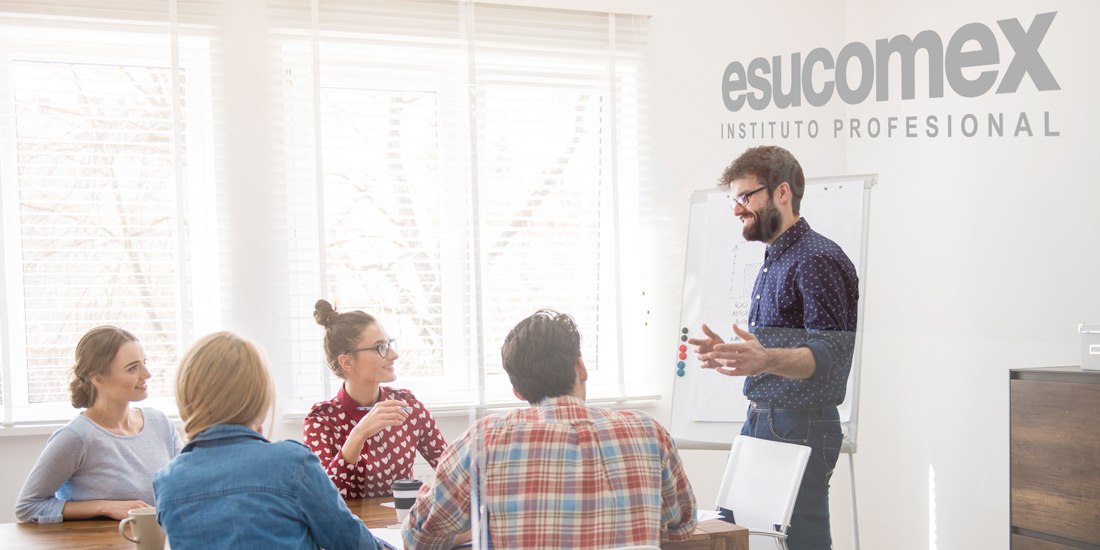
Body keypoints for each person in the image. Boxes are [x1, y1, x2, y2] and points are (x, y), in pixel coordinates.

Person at [403, 310, 697, 549]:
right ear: (581, 368)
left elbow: (420, 537)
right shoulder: (648, 432)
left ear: (517, 391)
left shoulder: (484, 439)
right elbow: (682, 524)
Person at [688, 145, 859, 550]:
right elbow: (785, 346)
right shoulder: (774, 257)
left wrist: (763, 358)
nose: (736, 210)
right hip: (764, 419)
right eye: (735, 200)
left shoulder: (817, 258)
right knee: (739, 535)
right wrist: (736, 353)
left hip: (800, 425)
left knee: (801, 543)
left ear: (782, 192)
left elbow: (827, 356)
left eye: (745, 197)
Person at [153, 331, 383, 550]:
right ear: (259, 397)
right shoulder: (292, 463)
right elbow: (356, 545)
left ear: (185, 396)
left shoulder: (167, 481)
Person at [15, 326, 182, 523]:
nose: (147, 373)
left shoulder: (160, 424)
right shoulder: (75, 437)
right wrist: (105, 506)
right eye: (132, 368)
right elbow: (27, 507)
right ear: (98, 378)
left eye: (144, 362)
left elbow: (185, 486)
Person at [305, 299, 446, 498]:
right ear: (347, 361)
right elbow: (319, 495)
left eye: (389, 344)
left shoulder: (408, 407)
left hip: (400, 526)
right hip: (346, 528)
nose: (394, 355)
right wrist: (359, 434)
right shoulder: (321, 421)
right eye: (381, 347)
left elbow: (452, 470)